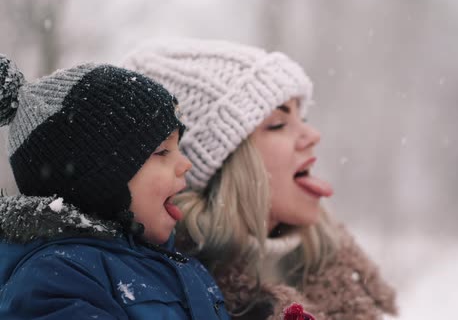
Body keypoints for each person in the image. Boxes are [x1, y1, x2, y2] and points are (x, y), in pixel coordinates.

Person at [123, 39, 397, 319]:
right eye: (278, 124)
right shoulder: (183, 300)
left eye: (303, 117)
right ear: (222, 165)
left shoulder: (343, 270)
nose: (313, 135)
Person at [0, 55, 230, 319]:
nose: (185, 164)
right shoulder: (59, 277)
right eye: (162, 152)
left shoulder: (186, 267)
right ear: (97, 182)